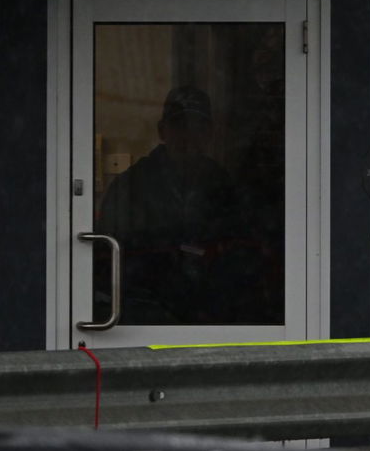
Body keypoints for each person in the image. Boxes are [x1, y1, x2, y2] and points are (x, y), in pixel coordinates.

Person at [96, 85, 253, 325]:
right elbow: (110, 261)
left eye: (197, 127)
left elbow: (239, 251)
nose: (188, 135)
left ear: (209, 132)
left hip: (213, 320)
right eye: (179, 125)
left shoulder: (223, 185)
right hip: (146, 317)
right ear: (162, 130)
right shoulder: (130, 186)